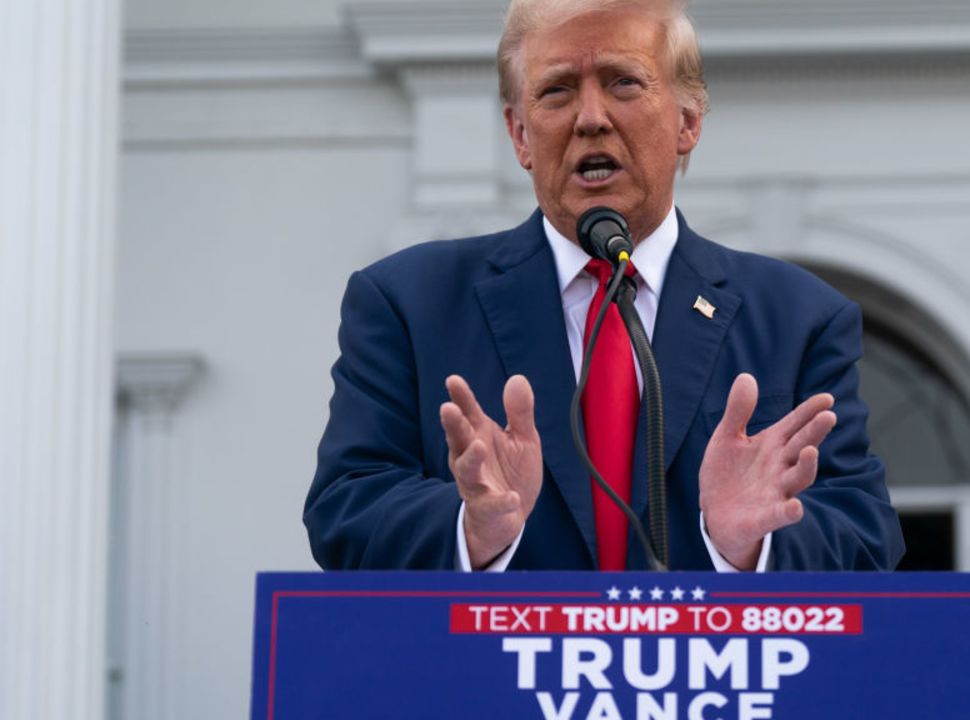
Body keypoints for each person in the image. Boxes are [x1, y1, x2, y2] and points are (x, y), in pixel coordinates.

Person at [303, 0, 904, 572]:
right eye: (557, 90)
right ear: (518, 135)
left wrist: (746, 547)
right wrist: (470, 529)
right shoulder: (408, 303)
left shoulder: (799, 318)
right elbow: (346, 511)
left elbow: (864, 534)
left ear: (687, 121)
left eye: (624, 82)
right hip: (488, 675)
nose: (591, 117)